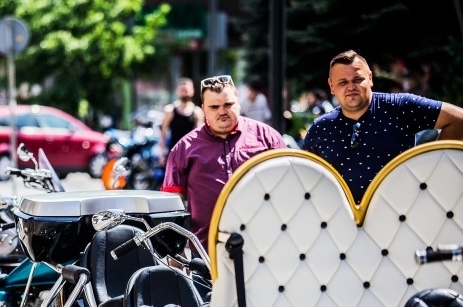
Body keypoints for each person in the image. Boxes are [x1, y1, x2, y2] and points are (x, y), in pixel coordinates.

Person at [302, 49, 463, 203]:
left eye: (358, 79)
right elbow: (306, 181)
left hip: (401, 217)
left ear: (370, 78)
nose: (351, 87)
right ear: (331, 86)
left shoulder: (400, 107)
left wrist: (432, 169)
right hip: (342, 223)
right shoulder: (320, 129)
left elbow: (458, 119)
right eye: (343, 82)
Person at [162, 75, 286, 248]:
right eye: (214, 107)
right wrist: (177, 253)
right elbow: (171, 206)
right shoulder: (183, 148)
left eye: (228, 104)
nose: (222, 111)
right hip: (206, 254)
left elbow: (288, 188)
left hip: (264, 250)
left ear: (238, 102)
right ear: (204, 109)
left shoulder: (267, 138)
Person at [158, 78, 205, 166]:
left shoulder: (197, 112)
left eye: (186, 90)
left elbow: (199, 137)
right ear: (177, 91)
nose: (184, 92)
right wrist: (162, 154)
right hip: (173, 155)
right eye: (182, 90)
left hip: (190, 156)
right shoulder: (170, 110)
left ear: (192, 91)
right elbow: (163, 133)